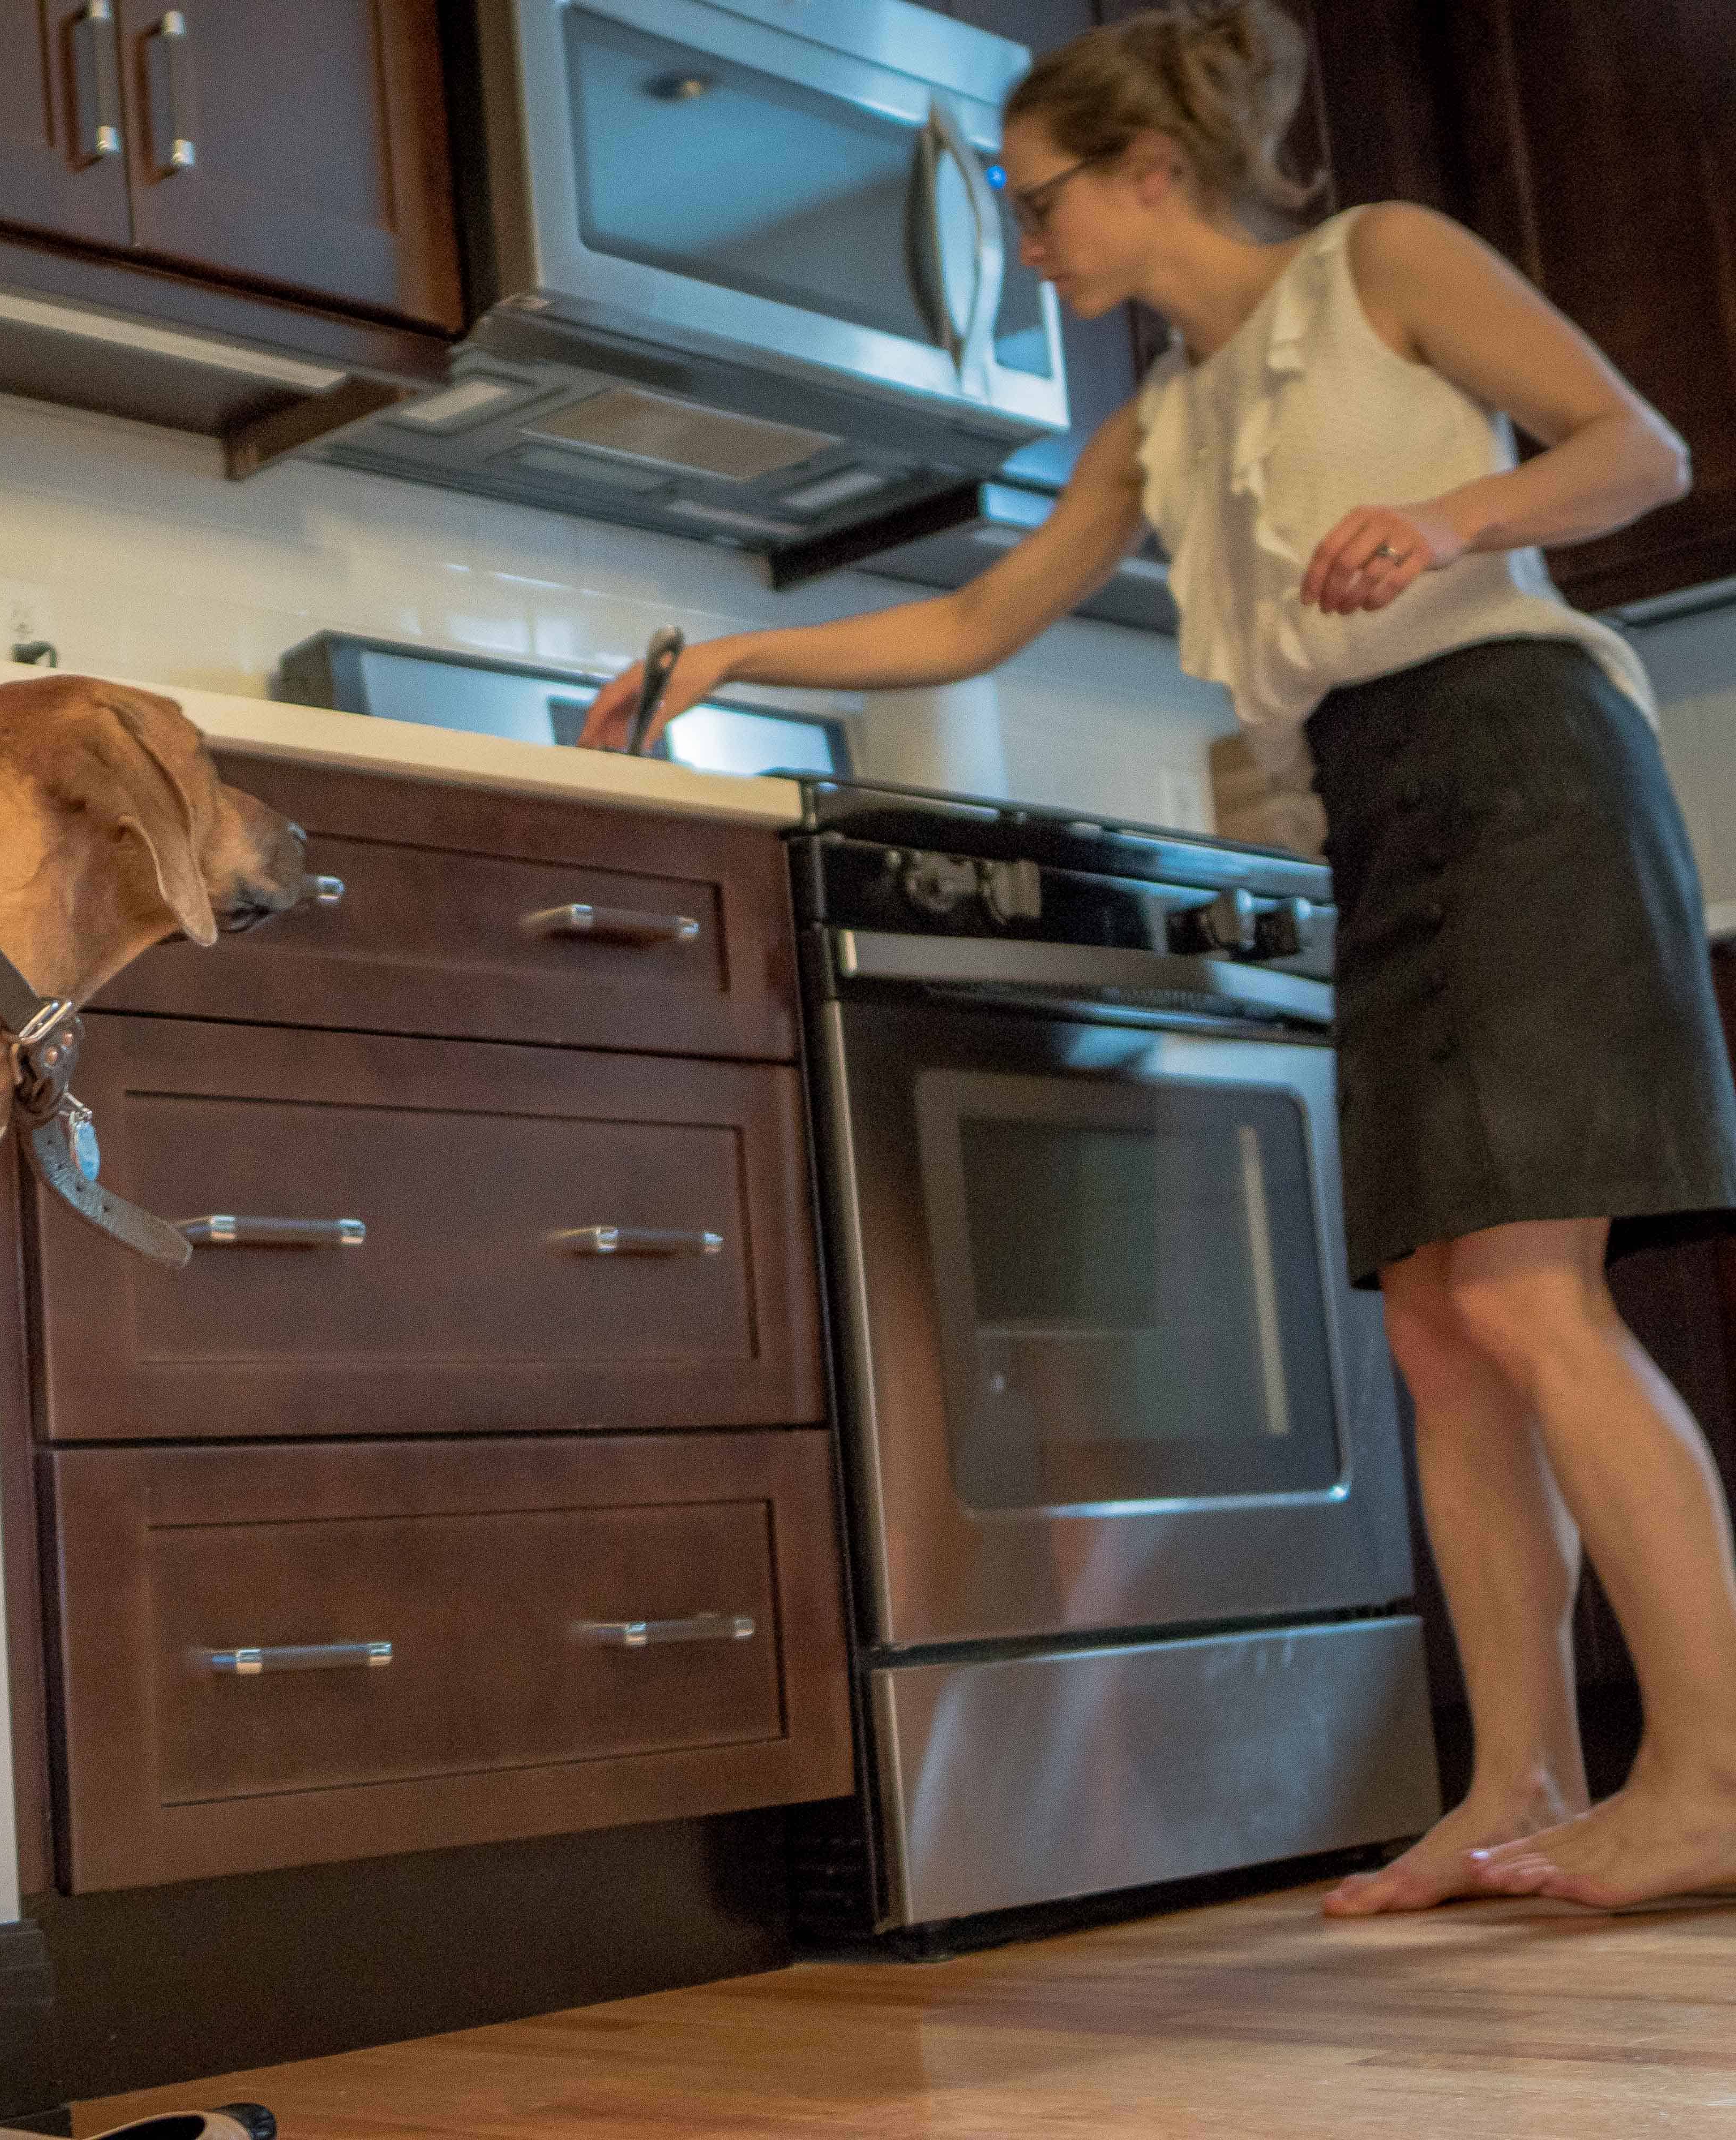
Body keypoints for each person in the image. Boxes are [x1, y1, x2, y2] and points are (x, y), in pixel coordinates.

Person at [578, 0, 1736, 1913]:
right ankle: (1519, 1781)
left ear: (1149, 175)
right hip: (1377, 801)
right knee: (1440, 1335)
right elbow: (977, 621)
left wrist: (1452, 515)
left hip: (1525, 754)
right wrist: (727, 660)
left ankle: (1705, 1778)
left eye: (1041, 209)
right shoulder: (1166, 420)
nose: (1031, 251)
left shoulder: (1387, 266)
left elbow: (1643, 450)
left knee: (1534, 1298)